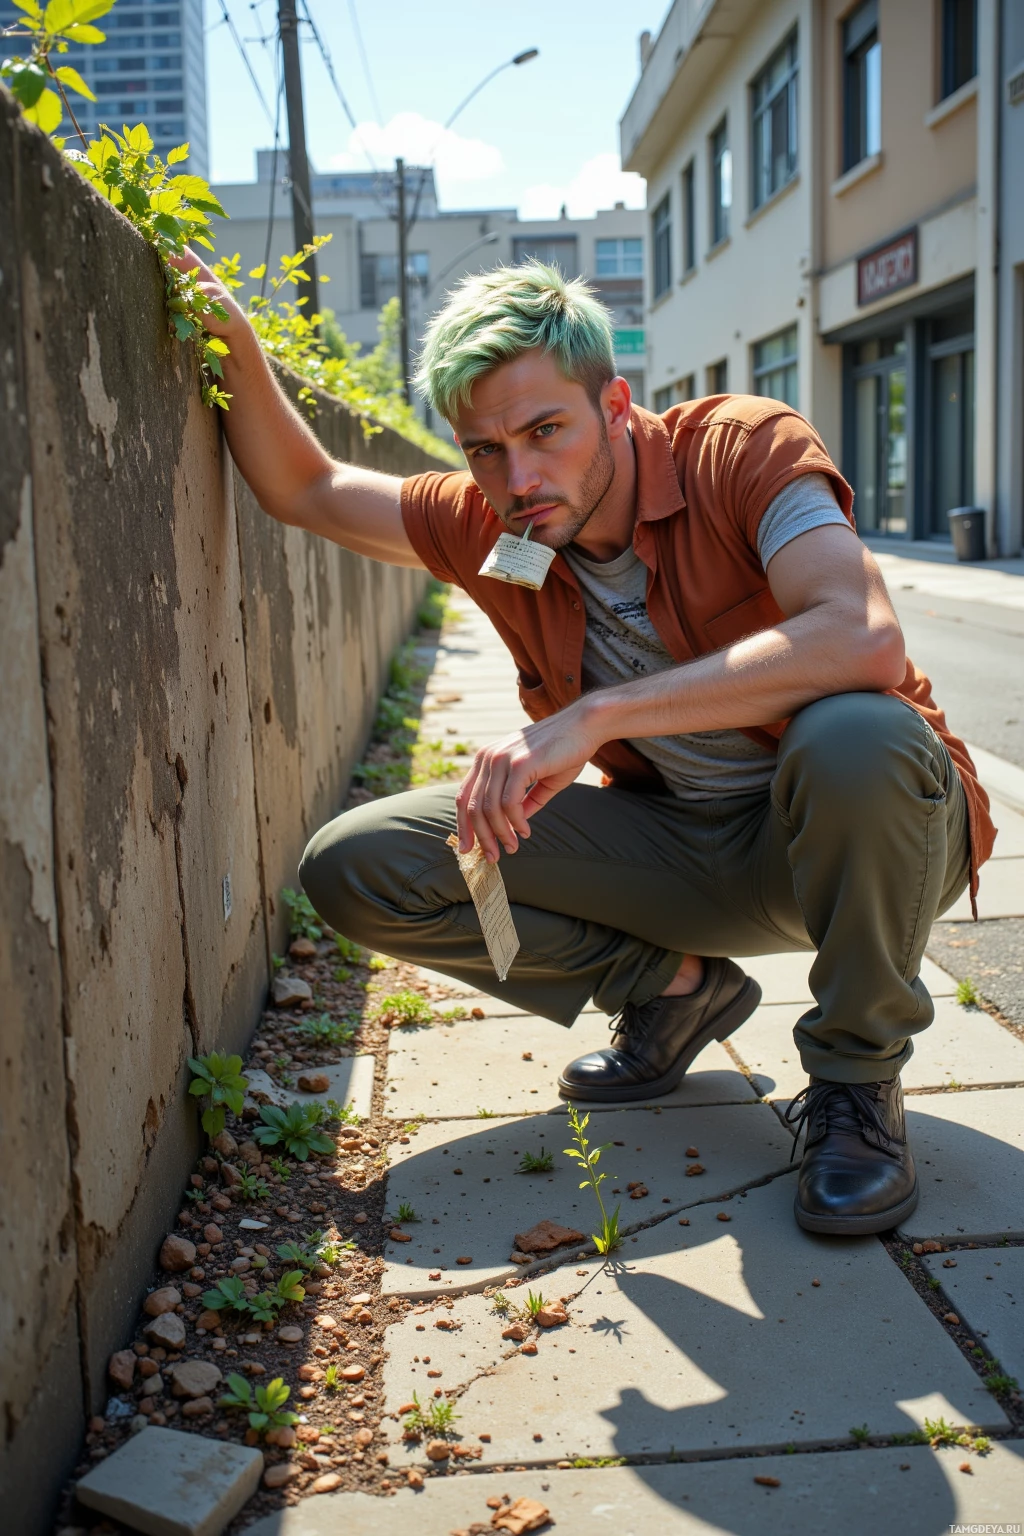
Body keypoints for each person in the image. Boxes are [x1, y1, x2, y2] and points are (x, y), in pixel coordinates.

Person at [179, 252, 994, 1237]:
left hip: (873, 835)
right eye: (482, 448)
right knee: (360, 867)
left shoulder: (738, 451)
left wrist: (594, 718)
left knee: (855, 730)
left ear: (612, 402)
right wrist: (237, 341)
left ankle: (856, 1089)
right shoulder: (510, 537)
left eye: (543, 430)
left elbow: (858, 634)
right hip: (689, 857)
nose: (516, 477)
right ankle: (674, 988)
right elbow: (306, 491)